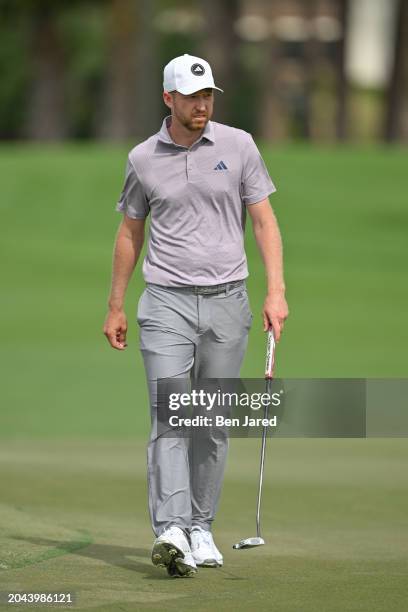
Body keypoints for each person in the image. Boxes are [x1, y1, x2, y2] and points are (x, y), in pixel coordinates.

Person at [103, 53, 288, 578]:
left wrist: (276, 291)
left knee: (210, 422)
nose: (202, 105)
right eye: (192, 97)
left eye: (207, 96)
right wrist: (116, 304)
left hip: (229, 301)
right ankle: (172, 529)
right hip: (165, 302)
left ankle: (202, 525)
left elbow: (265, 222)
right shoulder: (142, 158)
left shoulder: (239, 145)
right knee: (171, 417)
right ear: (169, 98)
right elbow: (129, 233)